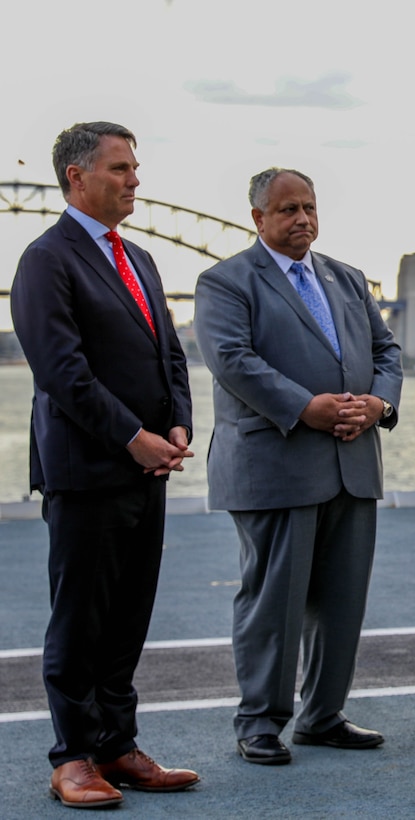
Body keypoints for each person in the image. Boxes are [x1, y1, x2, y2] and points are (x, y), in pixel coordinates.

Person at [10, 121, 199, 808]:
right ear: (76, 177)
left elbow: (168, 354)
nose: (134, 179)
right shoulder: (45, 259)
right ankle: (74, 757)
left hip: (145, 467)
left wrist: (176, 421)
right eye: (120, 168)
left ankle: (119, 746)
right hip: (86, 470)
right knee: (80, 616)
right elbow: (63, 371)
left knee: (127, 616)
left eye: (134, 167)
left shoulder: (141, 259)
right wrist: (133, 437)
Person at [193, 167, 403, 765]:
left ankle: (322, 715)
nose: (303, 219)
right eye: (287, 210)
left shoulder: (346, 277)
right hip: (274, 464)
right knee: (275, 601)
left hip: (352, 462)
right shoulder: (225, 281)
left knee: (342, 601)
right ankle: (259, 720)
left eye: (309, 207)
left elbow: (385, 350)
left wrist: (379, 403)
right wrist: (305, 407)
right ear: (257, 217)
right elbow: (232, 359)